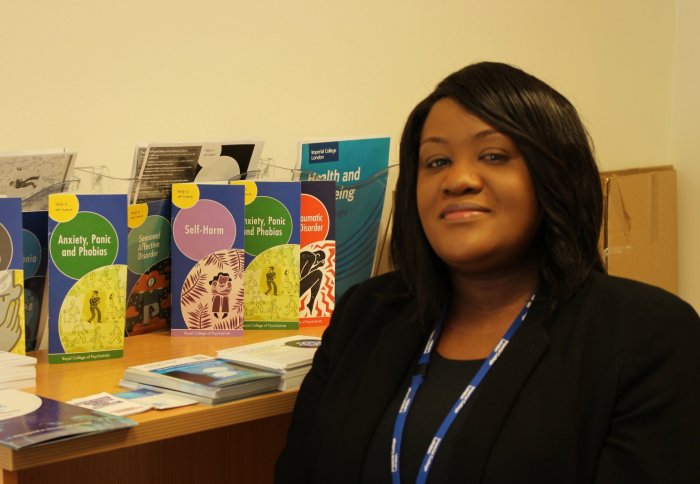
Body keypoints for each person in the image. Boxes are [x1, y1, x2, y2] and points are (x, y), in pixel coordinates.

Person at [274, 62, 700, 483]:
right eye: (436, 161)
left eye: (493, 156)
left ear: (555, 176)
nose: (458, 180)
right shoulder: (364, 314)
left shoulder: (649, 335)